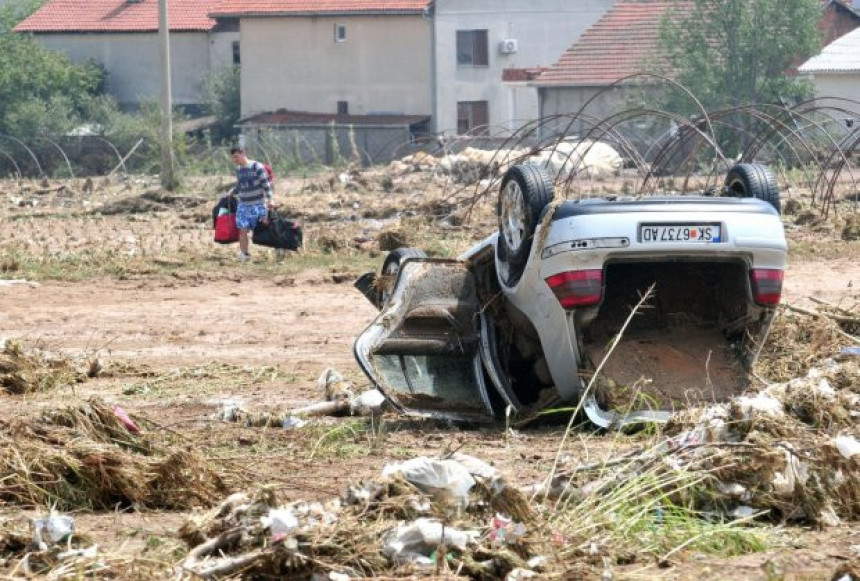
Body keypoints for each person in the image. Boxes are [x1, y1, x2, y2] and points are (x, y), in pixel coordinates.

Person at [229, 146, 272, 262]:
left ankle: (277, 251)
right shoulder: (238, 169)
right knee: (242, 229)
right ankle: (245, 254)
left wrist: (270, 199)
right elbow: (240, 185)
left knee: (264, 229)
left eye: (236, 157)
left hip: (258, 204)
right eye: (233, 158)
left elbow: (266, 184)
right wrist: (232, 192)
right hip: (243, 205)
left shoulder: (257, 167)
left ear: (243, 154)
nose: (235, 160)